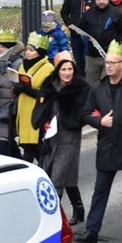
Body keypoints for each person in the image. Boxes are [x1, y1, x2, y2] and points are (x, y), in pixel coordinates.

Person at [75, 41, 122, 243]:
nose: (108, 66)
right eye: (106, 62)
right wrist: (100, 121)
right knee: (100, 190)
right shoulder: (98, 88)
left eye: (112, 62)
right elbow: (85, 113)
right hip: (108, 147)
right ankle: (92, 230)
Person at [31, 52, 90, 225]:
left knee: (59, 174)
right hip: (51, 136)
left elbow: (84, 112)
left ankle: (52, 218)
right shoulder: (49, 85)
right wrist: (44, 124)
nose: (67, 72)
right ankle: (78, 209)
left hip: (70, 136)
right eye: (63, 69)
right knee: (64, 173)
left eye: (70, 69)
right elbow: (42, 109)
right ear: (58, 70)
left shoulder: (81, 88)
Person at [76, 0, 122, 84]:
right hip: (92, 56)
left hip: (110, 55)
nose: (101, 1)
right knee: (91, 84)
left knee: (108, 83)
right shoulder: (88, 14)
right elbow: (79, 29)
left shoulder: (115, 13)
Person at [13, 32, 54, 163]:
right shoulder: (22, 65)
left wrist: (25, 89)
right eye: (26, 50)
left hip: (37, 113)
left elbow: (47, 93)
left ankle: (46, 171)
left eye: (31, 50)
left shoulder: (48, 68)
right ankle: (46, 170)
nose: (27, 53)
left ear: (39, 52)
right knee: (29, 147)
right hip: (23, 111)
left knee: (32, 147)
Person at [0, 29, 24, 157]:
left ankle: (3, 164)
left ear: (9, 48)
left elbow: (19, 85)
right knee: (7, 138)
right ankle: (21, 163)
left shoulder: (17, 63)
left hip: (9, 105)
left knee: (5, 139)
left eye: (2, 47)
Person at [60, 0, 95, 76]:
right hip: (75, 34)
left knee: (86, 60)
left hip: (88, 34)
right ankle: (80, 80)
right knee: (79, 60)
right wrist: (70, 24)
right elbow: (64, 12)